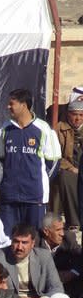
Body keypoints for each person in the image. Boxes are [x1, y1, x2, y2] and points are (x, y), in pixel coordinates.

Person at [0, 88, 62, 233]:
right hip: (9, 196)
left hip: (34, 197)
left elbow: (53, 162)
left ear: (24, 105)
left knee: (35, 237)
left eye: (11, 104)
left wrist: (38, 180)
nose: (8, 107)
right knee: (7, 238)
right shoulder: (5, 129)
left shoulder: (43, 129)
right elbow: (2, 158)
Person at [0, 222, 64, 298]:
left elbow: (57, 288)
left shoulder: (44, 256)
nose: (19, 247)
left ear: (33, 243)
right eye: (16, 241)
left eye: (24, 242)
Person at [52, 88, 83, 228]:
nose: (78, 119)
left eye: (81, 115)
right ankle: (73, 221)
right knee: (65, 177)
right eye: (75, 115)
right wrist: (71, 167)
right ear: (68, 114)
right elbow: (55, 155)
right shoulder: (59, 129)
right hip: (69, 168)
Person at [37, 212, 81, 292]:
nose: (62, 233)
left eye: (62, 229)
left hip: (67, 284)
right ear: (46, 232)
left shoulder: (68, 238)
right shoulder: (35, 241)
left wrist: (73, 272)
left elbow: (80, 256)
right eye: (58, 230)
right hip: (41, 285)